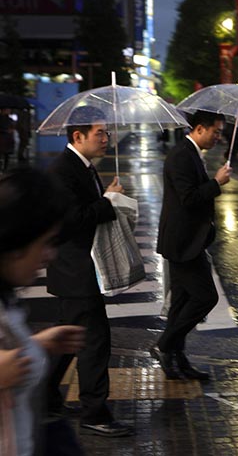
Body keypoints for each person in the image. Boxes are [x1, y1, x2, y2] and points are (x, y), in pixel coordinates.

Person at [44, 106, 134, 437]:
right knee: (94, 342)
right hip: (75, 270)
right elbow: (72, 220)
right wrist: (108, 201)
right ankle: (95, 413)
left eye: (107, 133)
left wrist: (107, 198)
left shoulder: (82, 166)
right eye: (100, 133)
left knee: (68, 338)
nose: (107, 139)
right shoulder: (62, 170)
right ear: (78, 136)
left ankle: (44, 399)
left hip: (79, 268)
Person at [0, 168, 86, 456]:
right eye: (45, 242)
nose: (50, 255)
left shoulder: (8, 302)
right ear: (15, 242)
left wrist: (37, 344)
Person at [153, 111, 231, 380]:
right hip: (182, 243)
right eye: (215, 131)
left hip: (189, 241)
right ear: (199, 128)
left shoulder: (191, 154)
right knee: (205, 297)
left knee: (181, 302)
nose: (218, 137)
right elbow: (189, 198)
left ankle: (177, 358)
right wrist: (216, 183)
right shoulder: (181, 156)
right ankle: (164, 345)